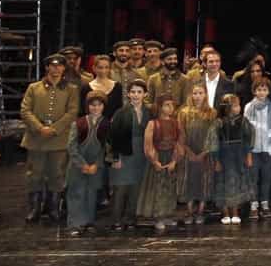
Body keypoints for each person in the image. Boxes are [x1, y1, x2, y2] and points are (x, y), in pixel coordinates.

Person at [21, 53, 79, 223]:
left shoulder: (71, 89)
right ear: (47, 67)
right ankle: (34, 208)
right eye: (52, 66)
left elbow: (72, 112)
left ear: (64, 68)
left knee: (57, 174)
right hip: (36, 137)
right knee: (35, 174)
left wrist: (54, 129)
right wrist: (40, 128)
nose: (55, 69)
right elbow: (25, 110)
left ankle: (54, 208)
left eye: (59, 66)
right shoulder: (34, 88)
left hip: (58, 138)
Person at [108, 78, 152, 231]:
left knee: (136, 188)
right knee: (121, 188)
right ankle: (116, 220)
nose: (136, 95)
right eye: (133, 92)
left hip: (142, 154)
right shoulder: (121, 112)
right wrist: (116, 157)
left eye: (139, 92)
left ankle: (130, 218)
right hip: (124, 153)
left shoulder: (149, 112)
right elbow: (113, 137)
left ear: (145, 94)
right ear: (128, 94)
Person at [65, 91, 109, 236]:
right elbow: (72, 147)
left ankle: (89, 221)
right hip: (78, 166)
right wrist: (82, 164)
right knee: (76, 193)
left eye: (99, 105)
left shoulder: (107, 124)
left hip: (96, 166)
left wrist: (96, 164)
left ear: (103, 106)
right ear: (87, 106)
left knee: (91, 193)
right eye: (92, 105)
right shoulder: (78, 123)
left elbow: (106, 148)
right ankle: (75, 224)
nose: (96, 108)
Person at [138, 94, 183, 232]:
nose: (170, 108)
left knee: (170, 187)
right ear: (160, 107)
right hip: (158, 158)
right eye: (166, 105)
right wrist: (154, 160)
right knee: (157, 187)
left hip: (171, 157)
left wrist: (175, 160)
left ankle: (168, 214)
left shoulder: (176, 123)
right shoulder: (153, 123)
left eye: (172, 105)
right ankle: (158, 217)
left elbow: (180, 142)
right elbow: (148, 144)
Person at [177, 82, 218, 225]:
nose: (198, 96)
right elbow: (181, 133)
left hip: (205, 154)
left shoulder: (211, 113)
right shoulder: (184, 112)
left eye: (201, 93)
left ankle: (201, 210)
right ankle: (189, 211)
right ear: (191, 95)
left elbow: (213, 135)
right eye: (195, 93)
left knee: (204, 181)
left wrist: (205, 152)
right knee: (189, 181)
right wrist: (187, 150)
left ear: (205, 95)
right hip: (189, 152)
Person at [215, 93, 254, 225]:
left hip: (239, 155)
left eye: (239, 105)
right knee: (224, 184)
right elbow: (213, 143)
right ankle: (225, 213)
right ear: (228, 108)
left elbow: (249, 139)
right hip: (224, 155)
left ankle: (235, 212)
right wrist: (216, 160)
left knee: (236, 184)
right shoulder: (219, 123)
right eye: (236, 105)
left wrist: (248, 155)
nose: (239, 108)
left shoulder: (243, 121)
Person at [244, 77, 271, 219]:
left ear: (268, 91)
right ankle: (253, 205)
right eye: (259, 89)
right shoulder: (248, 107)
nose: (262, 92)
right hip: (253, 149)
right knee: (253, 178)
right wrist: (247, 150)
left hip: (267, 147)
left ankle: (265, 204)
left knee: (266, 177)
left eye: (264, 90)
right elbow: (245, 130)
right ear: (254, 91)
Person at [82, 53, 123, 118]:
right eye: (100, 67)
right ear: (94, 68)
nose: (103, 71)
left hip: (112, 125)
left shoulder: (117, 86)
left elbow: (119, 109)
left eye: (106, 67)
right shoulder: (86, 88)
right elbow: (83, 111)